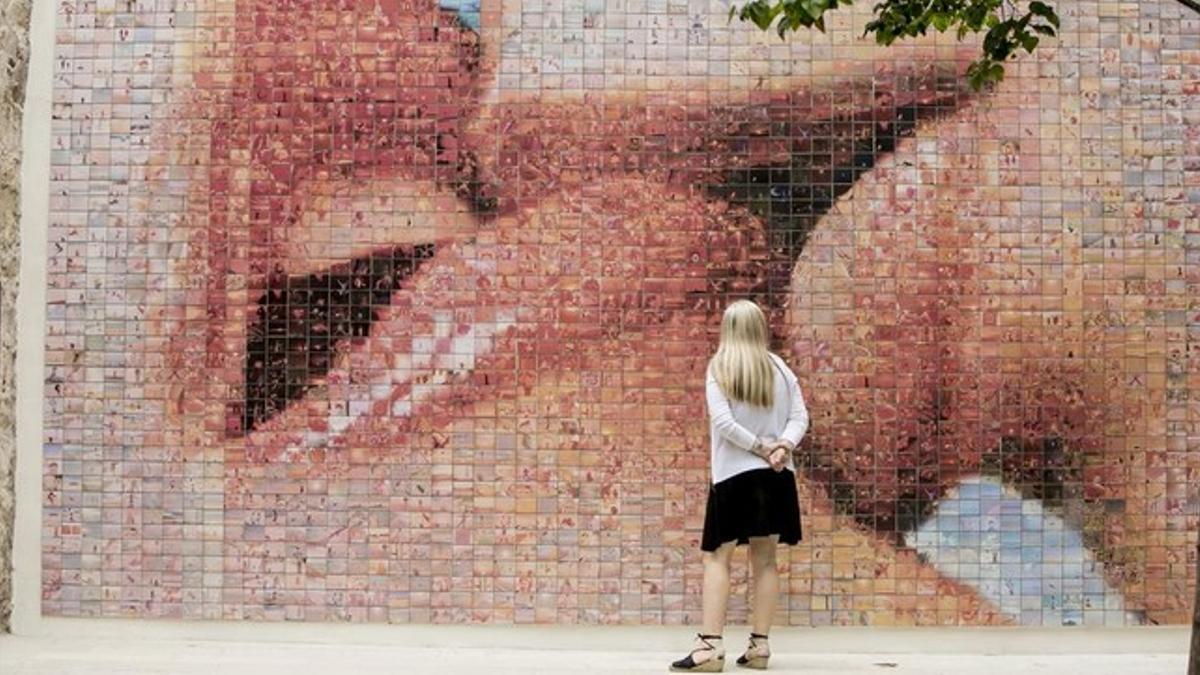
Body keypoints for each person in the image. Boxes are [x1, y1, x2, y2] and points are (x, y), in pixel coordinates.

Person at [671, 300, 809, 672]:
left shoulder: (721, 367)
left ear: (728, 329)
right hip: (777, 477)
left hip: (734, 476)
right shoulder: (780, 368)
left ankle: (709, 647)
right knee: (765, 559)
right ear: (761, 328)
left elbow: (723, 422)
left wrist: (760, 447)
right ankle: (759, 647)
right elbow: (800, 416)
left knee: (718, 557)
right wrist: (783, 447)